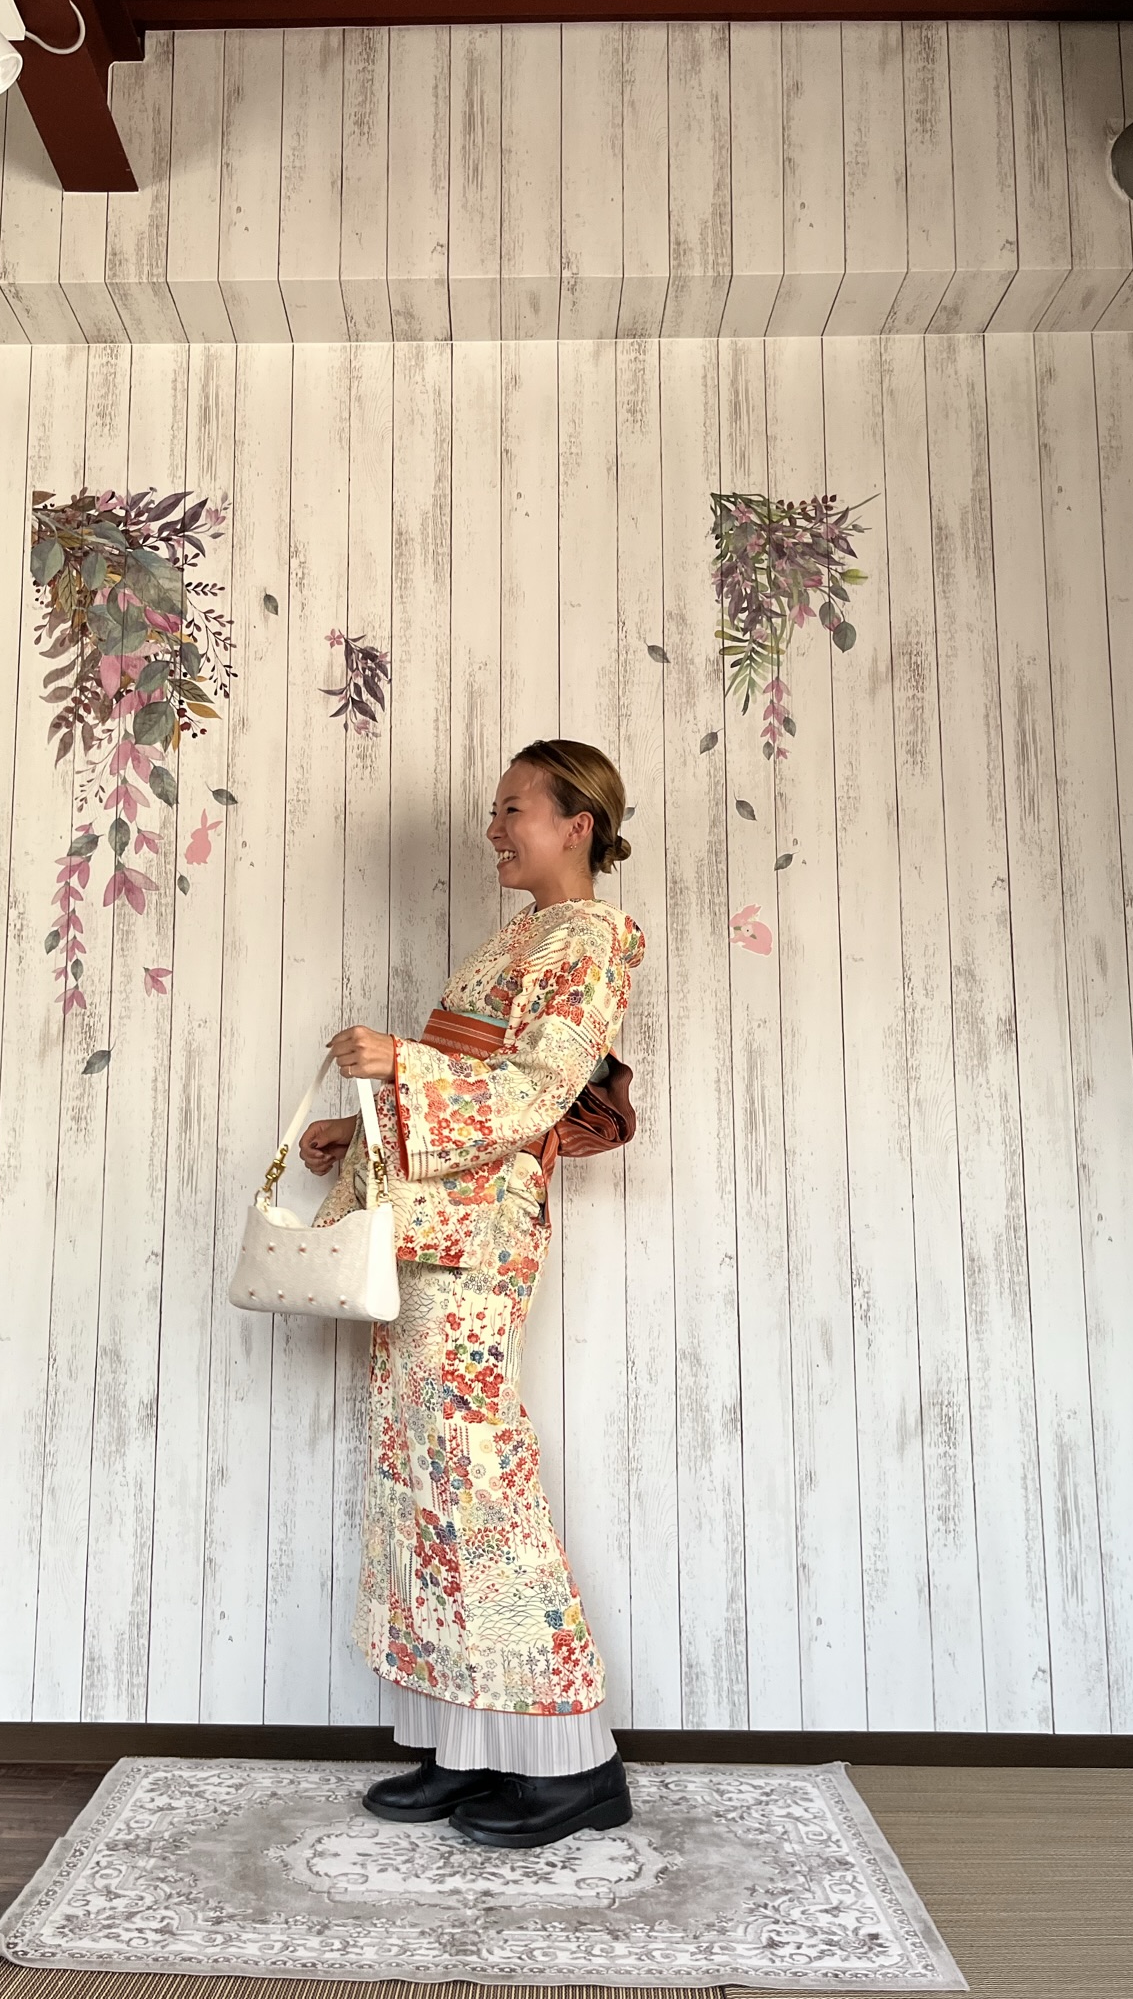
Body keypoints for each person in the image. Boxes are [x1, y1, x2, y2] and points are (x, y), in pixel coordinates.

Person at [300, 739, 645, 1851]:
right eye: (494, 812)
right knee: (427, 1476)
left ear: (576, 824)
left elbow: (537, 1088)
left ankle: (574, 1764)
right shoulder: (520, 937)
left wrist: (401, 1062)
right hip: (435, 1225)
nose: (493, 830)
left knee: (477, 1475)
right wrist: (359, 1122)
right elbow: (476, 1076)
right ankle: (466, 1743)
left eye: (512, 810)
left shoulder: (592, 938)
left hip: (480, 1237)